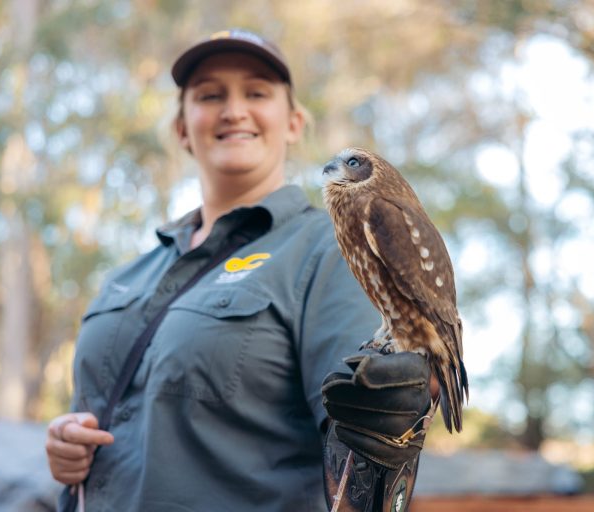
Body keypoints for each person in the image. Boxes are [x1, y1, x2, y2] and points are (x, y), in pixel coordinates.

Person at [45, 29, 432, 512]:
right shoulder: (128, 275)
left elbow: (366, 440)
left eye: (256, 92)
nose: (233, 109)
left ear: (293, 122)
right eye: (210, 95)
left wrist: (385, 448)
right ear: (182, 128)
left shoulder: (330, 251)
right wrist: (65, 446)